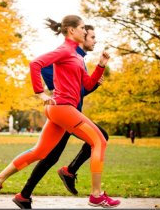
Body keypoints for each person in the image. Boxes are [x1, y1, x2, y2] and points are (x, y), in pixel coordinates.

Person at [0, 15, 120, 208]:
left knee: (40, 152)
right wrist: (40, 93)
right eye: (83, 28)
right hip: (63, 107)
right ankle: (96, 194)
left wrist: (100, 66)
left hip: (60, 109)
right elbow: (35, 64)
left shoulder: (76, 56)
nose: (85, 31)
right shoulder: (65, 50)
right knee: (99, 141)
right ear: (72, 30)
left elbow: (88, 84)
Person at [12, 23, 109, 209]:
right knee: (98, 138)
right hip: (64, 113)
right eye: (91, 37)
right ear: (80, 35)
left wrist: (94, 83)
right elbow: (48, 75)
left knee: (50, 156)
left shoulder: (79, 60)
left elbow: (80, 91)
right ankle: (68, 172)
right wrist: (44, 93)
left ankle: (24, 195)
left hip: (72, 112)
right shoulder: (66, 55)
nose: (94, 41)